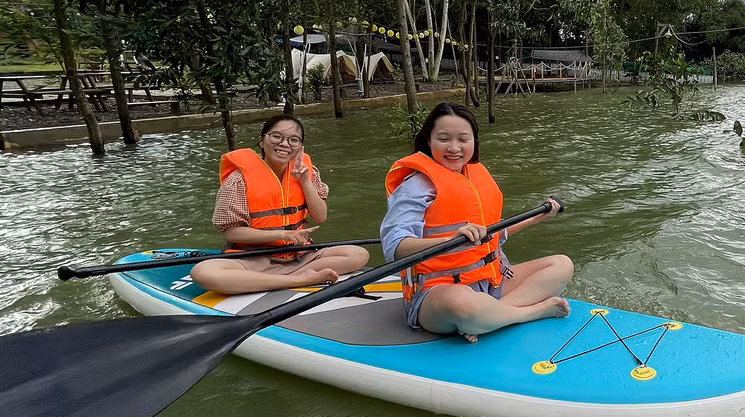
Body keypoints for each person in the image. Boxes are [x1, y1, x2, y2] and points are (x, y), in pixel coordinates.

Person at [381, 102, 572, 342]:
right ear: (429, 141)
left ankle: (489, 317)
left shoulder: (476, 175)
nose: (454, 148)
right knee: (464, 304)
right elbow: (395, 247)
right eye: (443, 139)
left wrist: (534, 218)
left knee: (561, 265)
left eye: (463, 139)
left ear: (474, 141)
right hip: (438, 293)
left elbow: (491, 235)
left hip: (491, 282)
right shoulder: (415, 186)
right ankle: (526, 313)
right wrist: (450, 241)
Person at [191, 114, 371, 294]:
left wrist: (305, 181)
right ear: (262, 141)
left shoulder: (307, 172)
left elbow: (320, 216)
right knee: (203, 273)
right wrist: (283, 234)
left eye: (293, 140)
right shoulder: (238, 180)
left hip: (299, 256)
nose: (284, 144)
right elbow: (231, 233)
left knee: (358, 254)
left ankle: (280, 279)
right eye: (277, 136)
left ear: (300, 147)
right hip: (252, 259)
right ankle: (297, 280)